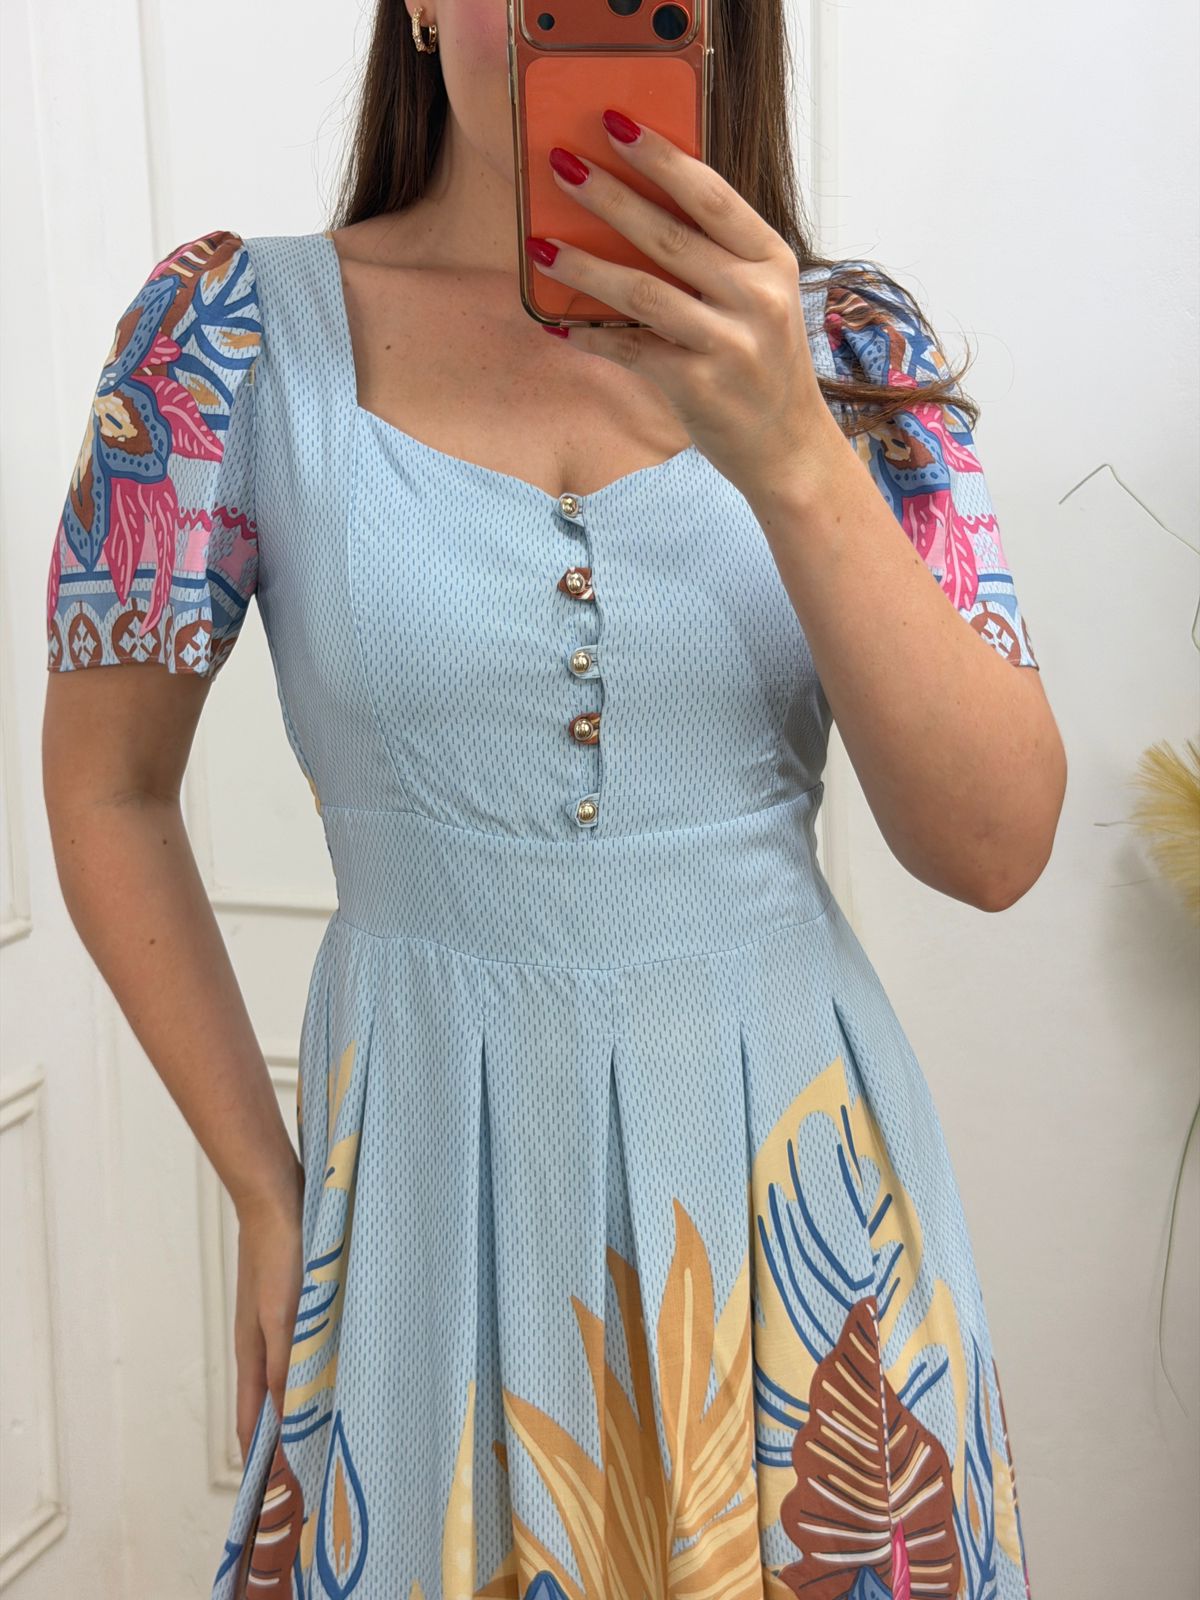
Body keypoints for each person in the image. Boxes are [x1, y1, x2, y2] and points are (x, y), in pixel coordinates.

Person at [42, 3, 1063, 1595]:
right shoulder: (228, 341)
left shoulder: (846, 349)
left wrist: (792, 444)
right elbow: (107, 785)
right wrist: (261, 1188)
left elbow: (994, 848)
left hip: (799, 1218)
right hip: (422, 1210)